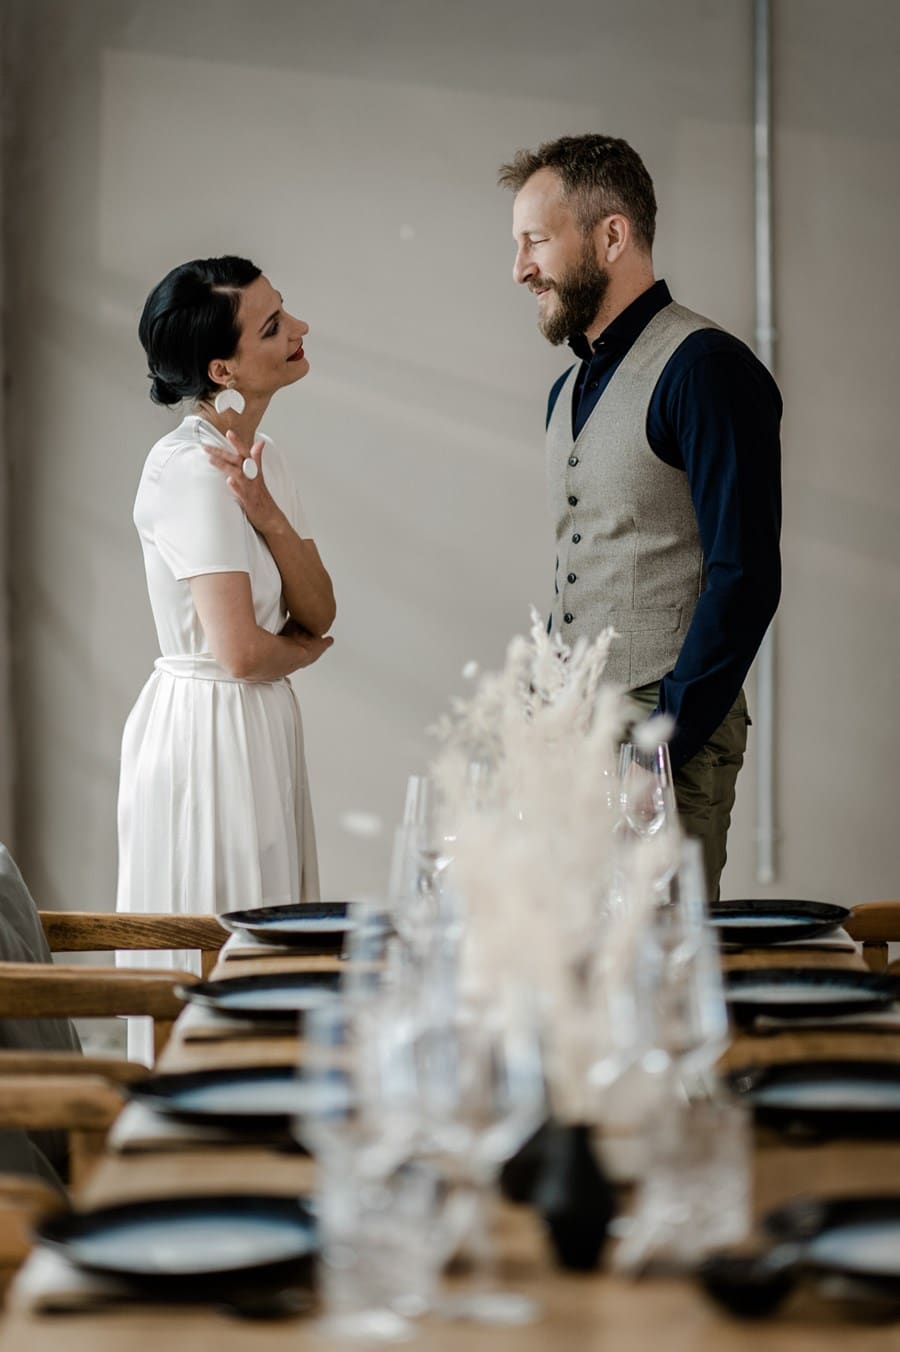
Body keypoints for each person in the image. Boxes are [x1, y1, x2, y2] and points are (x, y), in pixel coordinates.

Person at [499, 135, 782, 898]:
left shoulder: (706, 370)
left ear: (611, 235)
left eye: (536, 241)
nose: (521, 268)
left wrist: (659, 748)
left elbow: (745, 575)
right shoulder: (566, 394)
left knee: (654, 985)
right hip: (567, 741)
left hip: (664, 741)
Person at [117, 256, 335, 1060]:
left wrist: (268, 512)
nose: (299, 329)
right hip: (208, 733)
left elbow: (321, 608)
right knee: (220, 943)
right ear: (222, 368)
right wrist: (303, 656)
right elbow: (241, 653)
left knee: (272, 942)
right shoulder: (186, 471)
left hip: (259, 723)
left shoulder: (258, 457)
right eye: (274, 325)